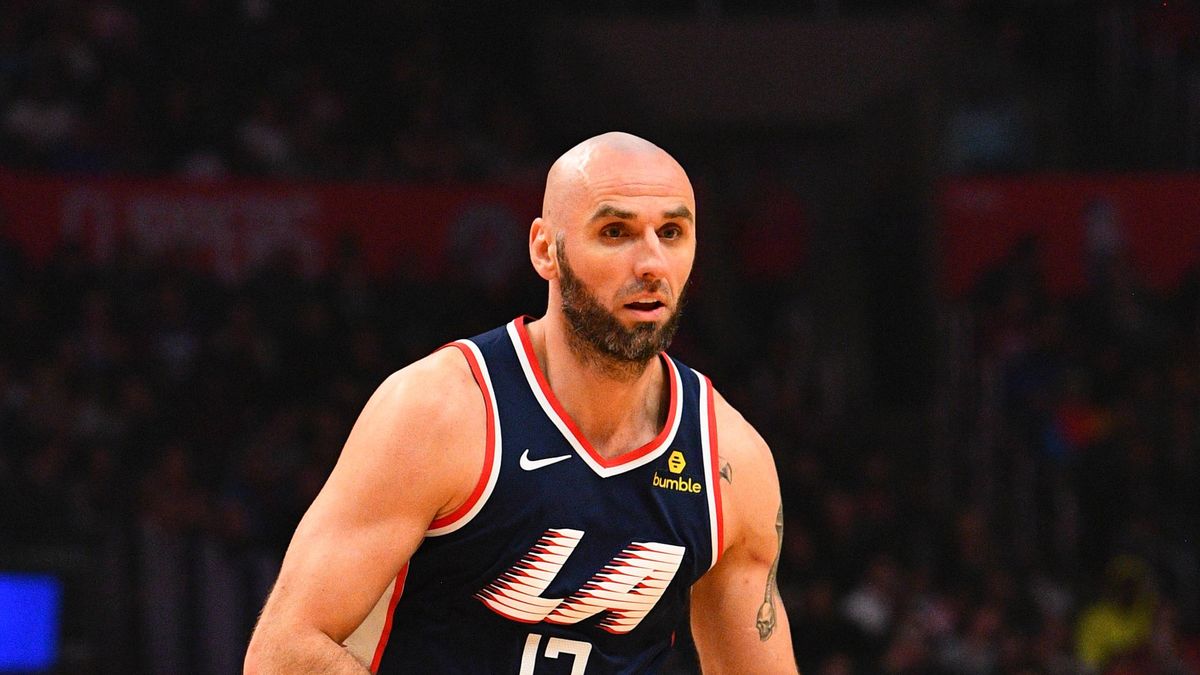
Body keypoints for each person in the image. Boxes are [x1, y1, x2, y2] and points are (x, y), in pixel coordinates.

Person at [244, 132, 797, 673]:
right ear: (545, 250)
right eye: (615, 232)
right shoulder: (440, 410)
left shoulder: (731, 461)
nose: (652, 263)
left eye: (671, 232)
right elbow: (283, 652)